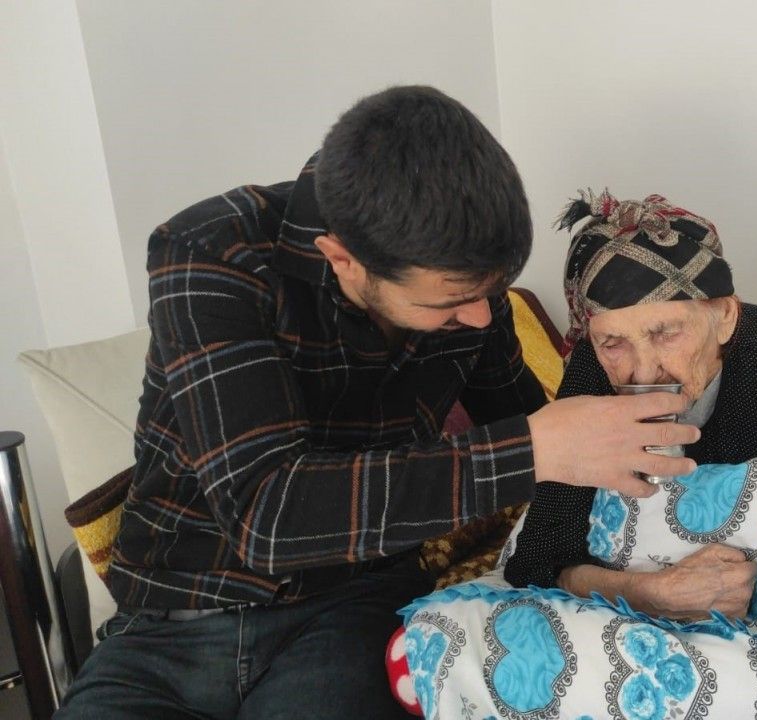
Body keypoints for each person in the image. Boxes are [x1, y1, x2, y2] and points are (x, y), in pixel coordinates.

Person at [56, 87, 699, 720]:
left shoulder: (471, 294)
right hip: (172, 619)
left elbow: (534, 430)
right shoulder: (213, 253)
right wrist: (532, 450)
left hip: (353, 607)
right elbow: (266, 514)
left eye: (493, 291)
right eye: (450, 301)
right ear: (343, 260)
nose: (481, 318)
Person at [503, 191, 757, 620]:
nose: (644, 372)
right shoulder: (592, 369)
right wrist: (651, 594)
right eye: (613, 343)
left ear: (725, 317)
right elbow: (537, 558)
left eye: (666, 334)